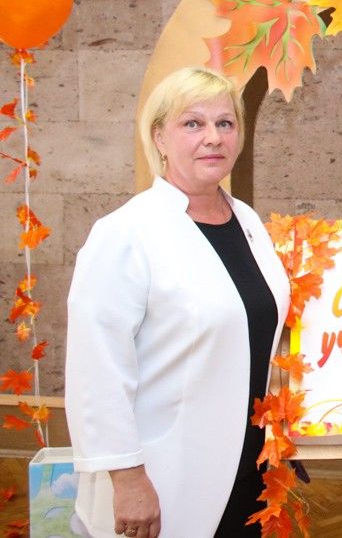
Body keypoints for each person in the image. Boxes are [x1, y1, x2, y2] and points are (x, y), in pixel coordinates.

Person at [65, 67, 291, 538]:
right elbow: (96, 371)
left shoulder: (247, 221)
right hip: (164, 474)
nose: (213, 138)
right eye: (193, 124)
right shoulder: (126, 233)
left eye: (225, 123)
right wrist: (128, 479)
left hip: (248, 465)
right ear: (159, 138)